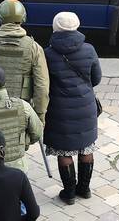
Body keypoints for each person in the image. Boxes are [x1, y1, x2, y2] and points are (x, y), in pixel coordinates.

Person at [43, 12, 102, 205]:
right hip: (85, 107)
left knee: (64, 151)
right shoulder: (89, 49)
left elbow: (44, 83)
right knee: (86, 147)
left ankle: (68, 193)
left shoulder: (47, 53)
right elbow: (96, 79)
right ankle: (84, 189)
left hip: (59, 110)